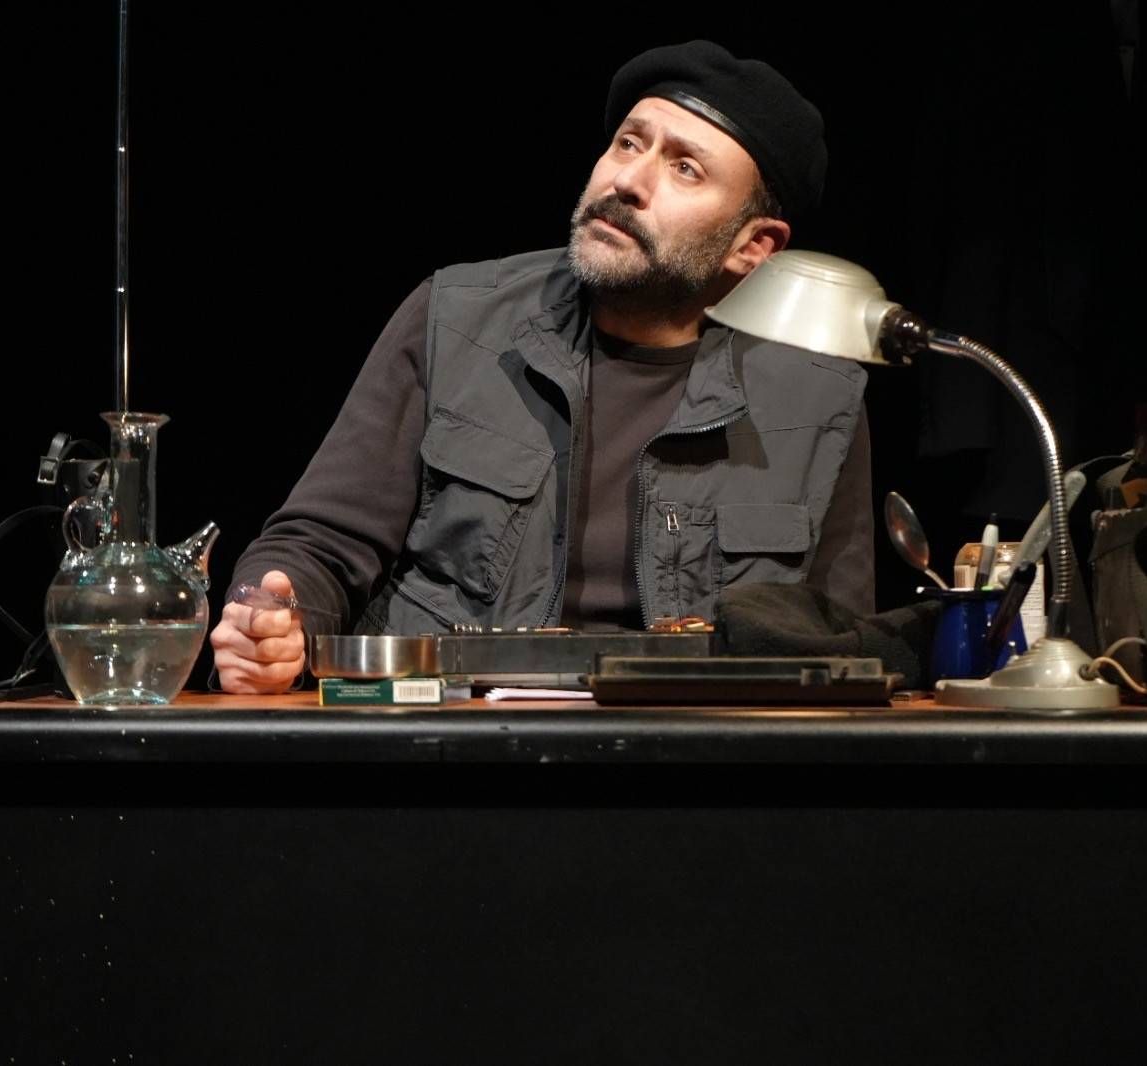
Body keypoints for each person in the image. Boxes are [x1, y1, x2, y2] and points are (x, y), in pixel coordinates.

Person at [212, 40, 876, 695]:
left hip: (688, 749)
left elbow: (838, 645)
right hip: (451, 735)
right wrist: (273, 621)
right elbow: (322, 543)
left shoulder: (819, 398)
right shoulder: (457, 319)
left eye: (685, 169)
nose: (628, 182)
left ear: (753, 247)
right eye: (629, 143)